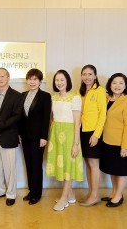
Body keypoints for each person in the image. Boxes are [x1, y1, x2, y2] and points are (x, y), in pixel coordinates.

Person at [47, 70, 84, 211]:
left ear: (67, 81)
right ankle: (71, 194)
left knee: (68, 165)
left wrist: (76, 143)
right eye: (57, 80)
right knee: (60, 165)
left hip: (69, 136)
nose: (59, 83)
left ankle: (63, 199)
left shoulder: (75, 98)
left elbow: (77, 122)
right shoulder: (53, 97)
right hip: (56, 135)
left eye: (62, 80)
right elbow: (51, 117)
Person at [99, 73, 127, 208]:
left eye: (121, 83)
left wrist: (126, 146)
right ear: (110, 84)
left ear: (125, 86)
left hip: (121, 143)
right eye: (114, 82)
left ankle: (119, 195)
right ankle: (114, 192)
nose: (117, 85)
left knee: (121, 171)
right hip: (107, 141)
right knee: (113, 170)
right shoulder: (107, 99)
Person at [0, 67, 22, 206]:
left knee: (10, 168)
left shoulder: (17, 95)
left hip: (8, 136)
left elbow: (16, 117)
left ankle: (11, 194)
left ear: (8, 78)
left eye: (2, 76)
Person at [19, 68, 51, 205]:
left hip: (38, 137)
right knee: (28, 164)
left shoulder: (45, 96)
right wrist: (19, 134)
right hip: (25, 136)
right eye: (30, 79)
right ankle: (31, 191)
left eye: (35, 79)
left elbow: (46, 118)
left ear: (40, 81)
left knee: (36, 165)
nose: (32, 82)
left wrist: (44, 137)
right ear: (27, 80)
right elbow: (21, 117)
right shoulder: (22, 95)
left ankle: (37, 194)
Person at [78, 64, 106, 207]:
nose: (87, 77)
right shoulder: (80, 92)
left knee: (94, 164)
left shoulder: (100, 91)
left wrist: (96, 134)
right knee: (88, 164)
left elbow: (103, 115)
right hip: (82, 131)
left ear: (95, 76)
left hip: (93, 132)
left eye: (90, 74)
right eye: (84, 74)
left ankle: (95, 195)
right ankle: (91, 193)